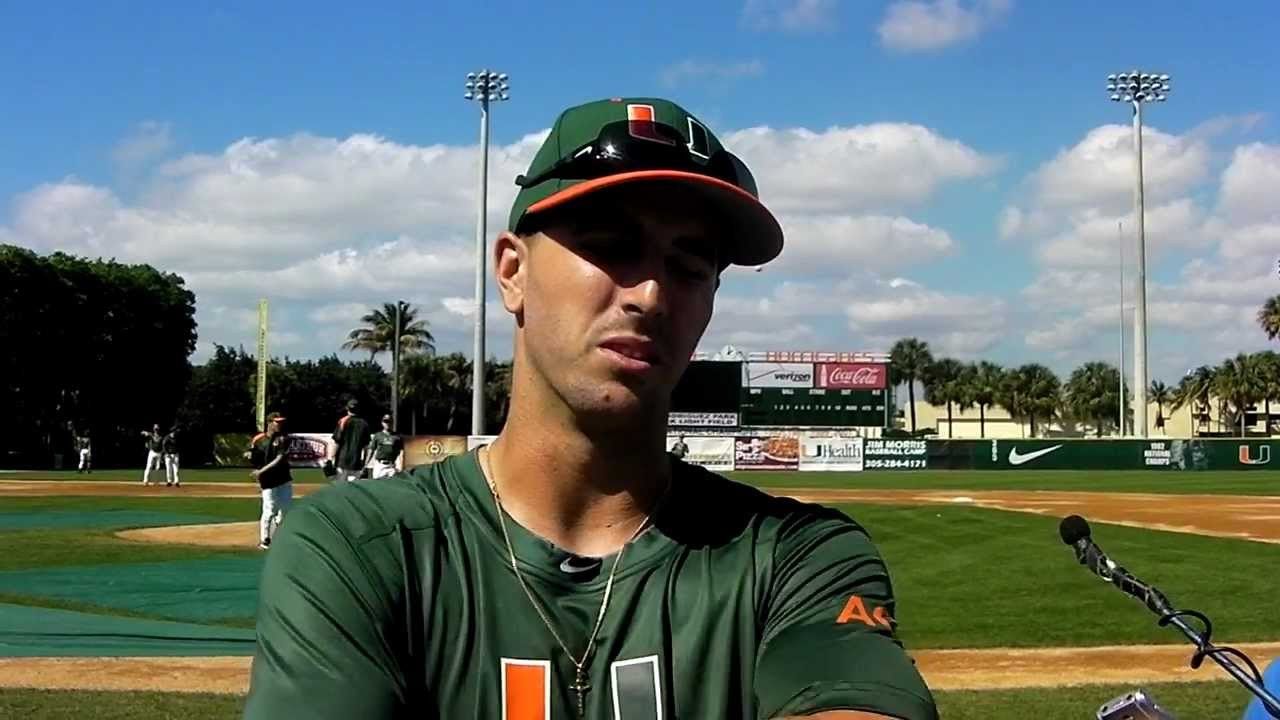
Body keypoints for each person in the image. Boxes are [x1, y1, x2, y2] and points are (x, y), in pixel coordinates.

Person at [245, 97, 936, 719]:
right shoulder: (358, 548)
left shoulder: (796, 557)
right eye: (610, 248)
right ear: (512, 272)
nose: (651, 295)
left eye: (690, 267)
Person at [246, 412, 293, 550]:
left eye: (280, 422)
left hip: (283, 478)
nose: (279, 424)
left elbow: (279, 459)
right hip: (268, 480)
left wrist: (260, 471)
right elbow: (252, 453)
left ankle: (279, 537)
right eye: (277, 422)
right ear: (269, 423)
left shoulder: (283, 439)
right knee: (269, 510)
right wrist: (249, 455)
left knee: (284, 511)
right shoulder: (259, 439)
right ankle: (264, 540)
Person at [329, 399, 371, 483]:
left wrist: (331, 458)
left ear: (347, 408)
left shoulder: (342, 421)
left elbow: (336, 442)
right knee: (354, 491)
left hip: (342, 462)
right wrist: (365, 463)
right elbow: (366, 447)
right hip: (356, 462)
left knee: (340, 490)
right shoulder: (364, 424)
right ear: (358, 409)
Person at [366, 414, 403, 479]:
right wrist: (365, 464)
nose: (387, 423)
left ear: (392, 422)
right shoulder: (378, 435)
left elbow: (401, 452)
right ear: (382, 423)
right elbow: (371, 450)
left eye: (389, 421)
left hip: (391, 466)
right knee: (377, 484)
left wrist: (401, 466)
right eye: (385, 421)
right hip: (380, 465)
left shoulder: (397, 437)